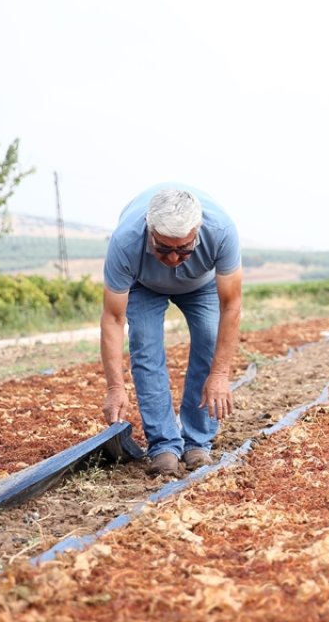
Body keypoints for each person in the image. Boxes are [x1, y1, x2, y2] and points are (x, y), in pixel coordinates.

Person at [100, 184, 242, 476]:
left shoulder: (222, 231)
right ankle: (163, 445)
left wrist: (220, 375)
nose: (173, 259)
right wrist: (115, 388)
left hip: (200, 285)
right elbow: (113, 318)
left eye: (184, 249)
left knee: (208, 338)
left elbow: (231, 306)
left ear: (198, 232)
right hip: (144, 285)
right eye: (163, 248)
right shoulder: (125, 242)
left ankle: (197, 442)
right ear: (149, 231)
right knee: (145, 345)